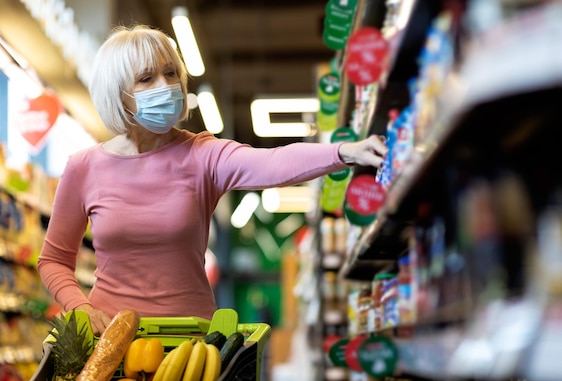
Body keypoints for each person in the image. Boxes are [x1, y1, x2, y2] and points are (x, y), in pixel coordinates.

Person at [37, 24, 388, 336]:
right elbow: (53, 259)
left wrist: (344, 152)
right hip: (110, 339)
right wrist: (81, 309)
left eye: (171, 73)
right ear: (119, 94)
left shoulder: (202, 154)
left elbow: (273, 162)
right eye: (147, 79)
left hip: (192, 340)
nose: (166, 86)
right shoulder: (83, 167)